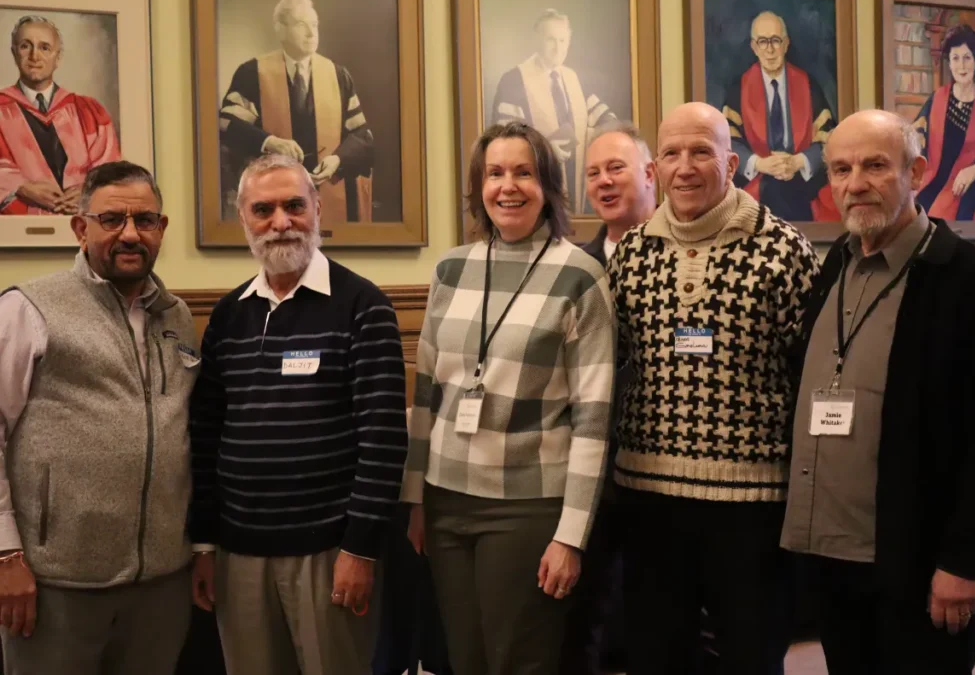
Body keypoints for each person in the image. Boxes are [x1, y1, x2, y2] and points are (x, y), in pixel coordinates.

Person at [781, 109, 975, 674]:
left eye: (875, 166)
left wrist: (963, 563)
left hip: (916, 563)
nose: (855, 183)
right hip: (833, 556)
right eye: (840, 169)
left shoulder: (967, 278)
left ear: (916, 171)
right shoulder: (834, 266)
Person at [608, 101, 819, 674]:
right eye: (671, 153)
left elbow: (812, 379)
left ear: (731, 162)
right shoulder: (630, 255)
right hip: (650, 500)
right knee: (656, 656)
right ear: (654, 169)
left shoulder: (784, 250)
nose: (685, 167)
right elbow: (615, 367)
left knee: (752, 657)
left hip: (752, 506)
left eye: (701, 151)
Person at [402, 121, 616, 674]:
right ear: (479, 188)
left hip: (528, 509)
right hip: (446, 503)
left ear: (547, 184)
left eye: (523, 172)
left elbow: (594, 420)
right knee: (463, 660)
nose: (508, 186)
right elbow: (426, 393)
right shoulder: (451, 268)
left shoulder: (580, 276)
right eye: (495, 173)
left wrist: (572, 535)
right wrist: (416, 499)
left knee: (519, 662)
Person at [188, 153, 408, 674]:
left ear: (317, 208)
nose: (280, 222)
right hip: (238, 556)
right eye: (263, 210)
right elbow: (204, 434)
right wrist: (204, 542)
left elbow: (382, 438)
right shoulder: (228, 314)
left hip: (329, 555)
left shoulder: (362, 305)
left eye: (294, 206)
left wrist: (361, 549)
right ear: (243, 218)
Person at [0, 161, 194, 674]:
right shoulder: (29, 308)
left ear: (161, 229)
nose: (130, 234)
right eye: (111, 219)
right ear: (80, 228)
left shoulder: (177, 315)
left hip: (162, 583)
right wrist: (5, 555)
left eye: (145, 220)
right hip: (55, 584)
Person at [561, 121, 655, 675]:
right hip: (589, 464)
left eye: (616, 167)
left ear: (650, 174)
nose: (603, 181)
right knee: (581, 617)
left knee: (660, 618)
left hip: (663, 468)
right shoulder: (573, 266)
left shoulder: (684, 257)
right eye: (593, 172)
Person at [219, 0, 373, 223]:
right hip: (273, 199)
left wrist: (337, 160)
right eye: (302, 25)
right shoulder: (253, 73)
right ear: (280, 29)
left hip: (328, 198)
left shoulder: (338, 75)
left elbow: (362, 135)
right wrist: (270, 142)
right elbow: (227, 124)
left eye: (314, 25)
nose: (312, 33)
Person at [492, 8, 619, 215]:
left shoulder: (574, 79)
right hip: (534, 188)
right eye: (550, 40)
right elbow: (504, 142)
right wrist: (544, 150)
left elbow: (607, 120)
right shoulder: (514, 80)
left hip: (576, 186)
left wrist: (593, 140)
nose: (557, 48)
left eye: (562, 41)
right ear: (537, 40)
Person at [723, 10, 839, 222]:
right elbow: (729, 142)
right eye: (763, 41)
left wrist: (799, 161)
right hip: (755, 185)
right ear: (753, 47)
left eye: (775, 40)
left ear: (786, 44)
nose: (769, 49)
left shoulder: (809, 86)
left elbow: (828, 138)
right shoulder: (738, 89)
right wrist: (759, 163)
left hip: (803, 185)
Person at [0, 15, 121, 215]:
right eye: (25, 46)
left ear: (58, 57)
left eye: (44, 47)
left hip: (82, 227)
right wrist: (21, 187)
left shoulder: (88, 111)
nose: (34, 56)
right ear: (14, 53)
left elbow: (112, 170)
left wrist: (89, 192)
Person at [912, 24, 975, 221]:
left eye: (967, 58)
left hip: (970, 184)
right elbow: (914, 141)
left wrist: (973, 170)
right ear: (949, 63)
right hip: (933, 180)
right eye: (955, 58)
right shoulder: (936, 99)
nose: (962, 66)